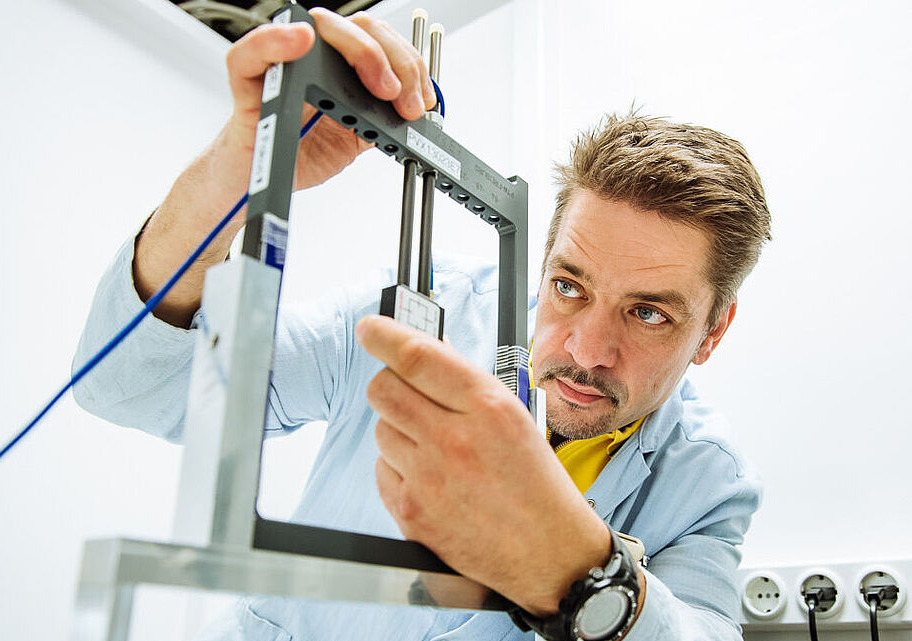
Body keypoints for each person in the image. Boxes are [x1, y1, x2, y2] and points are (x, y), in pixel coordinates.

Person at [72, 7, 771, 641]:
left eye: (648, 313)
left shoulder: (705, 478)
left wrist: (576, 564)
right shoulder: (423, 303)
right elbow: (131, 386)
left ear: (713, 331)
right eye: (568, 285)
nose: (585, 348)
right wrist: (234, 171)